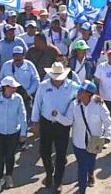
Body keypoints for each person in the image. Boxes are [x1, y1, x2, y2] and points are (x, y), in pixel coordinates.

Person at [58, 80, 111, 194]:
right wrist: (57, 116)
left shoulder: (99, 104)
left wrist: (108, 136)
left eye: (81, 90)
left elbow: (108, 121)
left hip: (95, 141)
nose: (78, 92)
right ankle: (82, 190)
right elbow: (68, 121)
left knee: (91, 160)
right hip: (78, 143)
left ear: (88, 93)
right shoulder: (74, 104)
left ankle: (91, 174)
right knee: (82, 166)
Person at [31, 62, 77, 194]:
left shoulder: (72, 86)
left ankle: (58, 181)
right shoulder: (43, 86)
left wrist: (95, 96)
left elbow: (84, 92)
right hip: (46, 123)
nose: (57, 79)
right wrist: (35, 122)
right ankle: (49, 173)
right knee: (44, 152)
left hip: (62, 125)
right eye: (55, 76)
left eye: (59, 76)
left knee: (61, 155)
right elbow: (37, 104)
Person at [0, 77, 28, 193]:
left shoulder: (18, 99)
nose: (14, 89)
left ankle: (8, 175)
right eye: (12, 87)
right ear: (5, 87)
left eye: (15, 87)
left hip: (13, 133)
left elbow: (22, 116)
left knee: (10, 156)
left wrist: (24, 133)